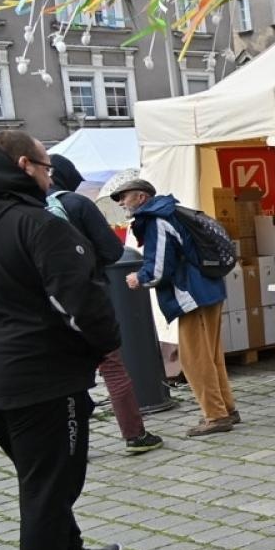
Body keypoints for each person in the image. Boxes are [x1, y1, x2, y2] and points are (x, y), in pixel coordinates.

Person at [0, 134, 124, 550]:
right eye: (48, 169)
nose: (52, 178)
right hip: (39, 376)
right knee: (49, 486)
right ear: (25, 165)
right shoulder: (36, 224)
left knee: (39, 476)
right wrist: (102, 347)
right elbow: (82, 301)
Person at [49, 155, 163, 454]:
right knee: (112, 367)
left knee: (62, 374)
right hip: (87, 299)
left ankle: (68, 441)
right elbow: (113, 251)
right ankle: (134, 435)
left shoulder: (25, 208)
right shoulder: (76, 203)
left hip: (47, 306)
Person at [110, 175, 238, 436]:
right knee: (211, 355)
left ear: (142, 197)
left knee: (194, 359)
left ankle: (215, 416)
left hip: (190, 294)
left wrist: (139, 278)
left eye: (124, 196)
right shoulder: (170, 212)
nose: (122, 202)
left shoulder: (156, 219)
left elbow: (158, 268)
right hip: (208, 287)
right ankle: (226, 408)